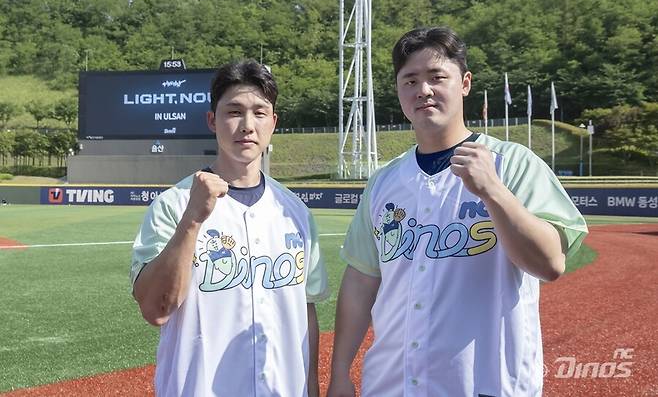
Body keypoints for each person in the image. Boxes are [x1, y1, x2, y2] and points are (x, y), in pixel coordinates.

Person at [328, 27, 588, 397]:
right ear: (399, 91)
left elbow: (550, 264)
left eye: (437, 77)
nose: (423, 90)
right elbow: (361, 282)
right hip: (391, 384)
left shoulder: (513, 164)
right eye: (410, 80)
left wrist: (493, 191)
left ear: (464, 83)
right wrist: (340, 372)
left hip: (484, 383)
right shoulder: (384, 181)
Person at [130, 59, 329, 397]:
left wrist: (311, 388)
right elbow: (155, 309)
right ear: (212, 120)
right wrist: (192, 220)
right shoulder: (173, 205)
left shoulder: (295, 211)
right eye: (234, 112)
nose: (247, 126)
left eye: (259, 113)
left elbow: (305, 310)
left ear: (273, 122)